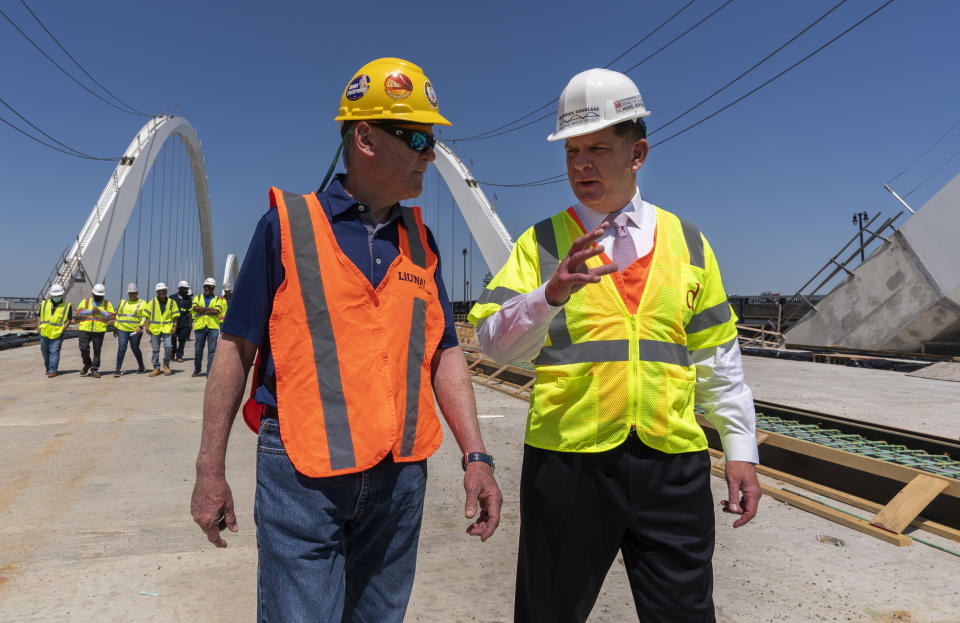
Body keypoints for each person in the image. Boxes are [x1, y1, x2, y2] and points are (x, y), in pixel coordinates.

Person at [190, 57, 502, 623]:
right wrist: (209, 471)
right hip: (302, 478)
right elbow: (234, 350)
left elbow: (444, 352)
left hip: (399, 476)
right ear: (364, 138)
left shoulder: (420, 239)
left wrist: (475, 455)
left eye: (432, 141)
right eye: (416, 137)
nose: (430, 154)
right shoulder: (286, 227)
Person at [469, 68, 761, 623]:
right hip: (569, 465)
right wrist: (547, 295)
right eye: (572, 151)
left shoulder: (690, 245)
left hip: (673, 465)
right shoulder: (539, 244)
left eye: (599, 148)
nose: (581, 164)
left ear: (638, 153)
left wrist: (741, 450)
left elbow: (719, 362)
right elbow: (493, 344)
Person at [75, 283, 115, 378]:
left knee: (97, 350)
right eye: (97, 295)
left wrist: (100, 312)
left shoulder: (107, 303)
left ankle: (94, 369)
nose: (98, 297)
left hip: (99, 330)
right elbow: (78, 313)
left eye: (100, 296)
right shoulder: (85, 302)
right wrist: (91, 311)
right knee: (83, 348)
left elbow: (111, 316)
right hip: (85, 329)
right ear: (92, 294)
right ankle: (87, 363)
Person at [190, 277, 226, 377]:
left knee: (212, 351)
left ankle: (209, 372)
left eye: (209, 287)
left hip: (212, 328)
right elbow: (195, 308)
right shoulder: (197, 298)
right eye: (205, 287)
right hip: (200, 327)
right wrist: (209, 309)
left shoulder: (218, 299)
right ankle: (197, 370)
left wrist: (202, 310)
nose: (207, 289)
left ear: (213, 288)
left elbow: (217, 311)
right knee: (198, 350)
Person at [145, 282, 180, 377]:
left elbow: (175, 316)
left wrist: (174, 326)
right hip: (155, 329)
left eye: (163, 291)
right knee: (155, 350)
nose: (161, 292)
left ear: (166, 291)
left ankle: (166, 365)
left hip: (167, 329)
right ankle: (156, 368)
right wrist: (147, 327)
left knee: (168, 346)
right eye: (159, 291)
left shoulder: (172, 302)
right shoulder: (152, 302)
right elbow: (147, 316)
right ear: (156, 292)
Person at [38, 283, 72, 378]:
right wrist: (38, 327)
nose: (56, 297)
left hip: (57, 333)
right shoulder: (44, 304)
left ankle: (52, 370)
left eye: (58, 296)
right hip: (44, 332)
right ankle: (48, 367)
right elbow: (39, 316)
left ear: (61, 295)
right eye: (55, 296)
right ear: (51, 295)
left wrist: (62, 330)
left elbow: (69, 320)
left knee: (54, 351)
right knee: (44, 351)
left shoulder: (67, 305)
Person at [114, 282, 148, 376]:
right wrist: (115, 327)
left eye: (133, 293)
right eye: (130, 293)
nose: (131, 294)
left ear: (137, 293)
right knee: (122, 348)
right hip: (122, 329)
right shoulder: (123, 302)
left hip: (135, 330)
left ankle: (141, 366)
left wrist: (140, 326)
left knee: (135, 348)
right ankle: (117, 369)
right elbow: (119, 315)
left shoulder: (142, 302)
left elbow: (144, 316)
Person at [171, 281, 193, 363]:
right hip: (173, 323)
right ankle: (173, 352)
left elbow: (189, 313)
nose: (186, 290)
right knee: (172, 338)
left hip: (184, 323)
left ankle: (179, 355)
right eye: (185, 289)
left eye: (187, 289)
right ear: (179, 289)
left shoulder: (188, 300)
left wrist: (190, 324)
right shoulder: (172, 298)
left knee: (182, 340)